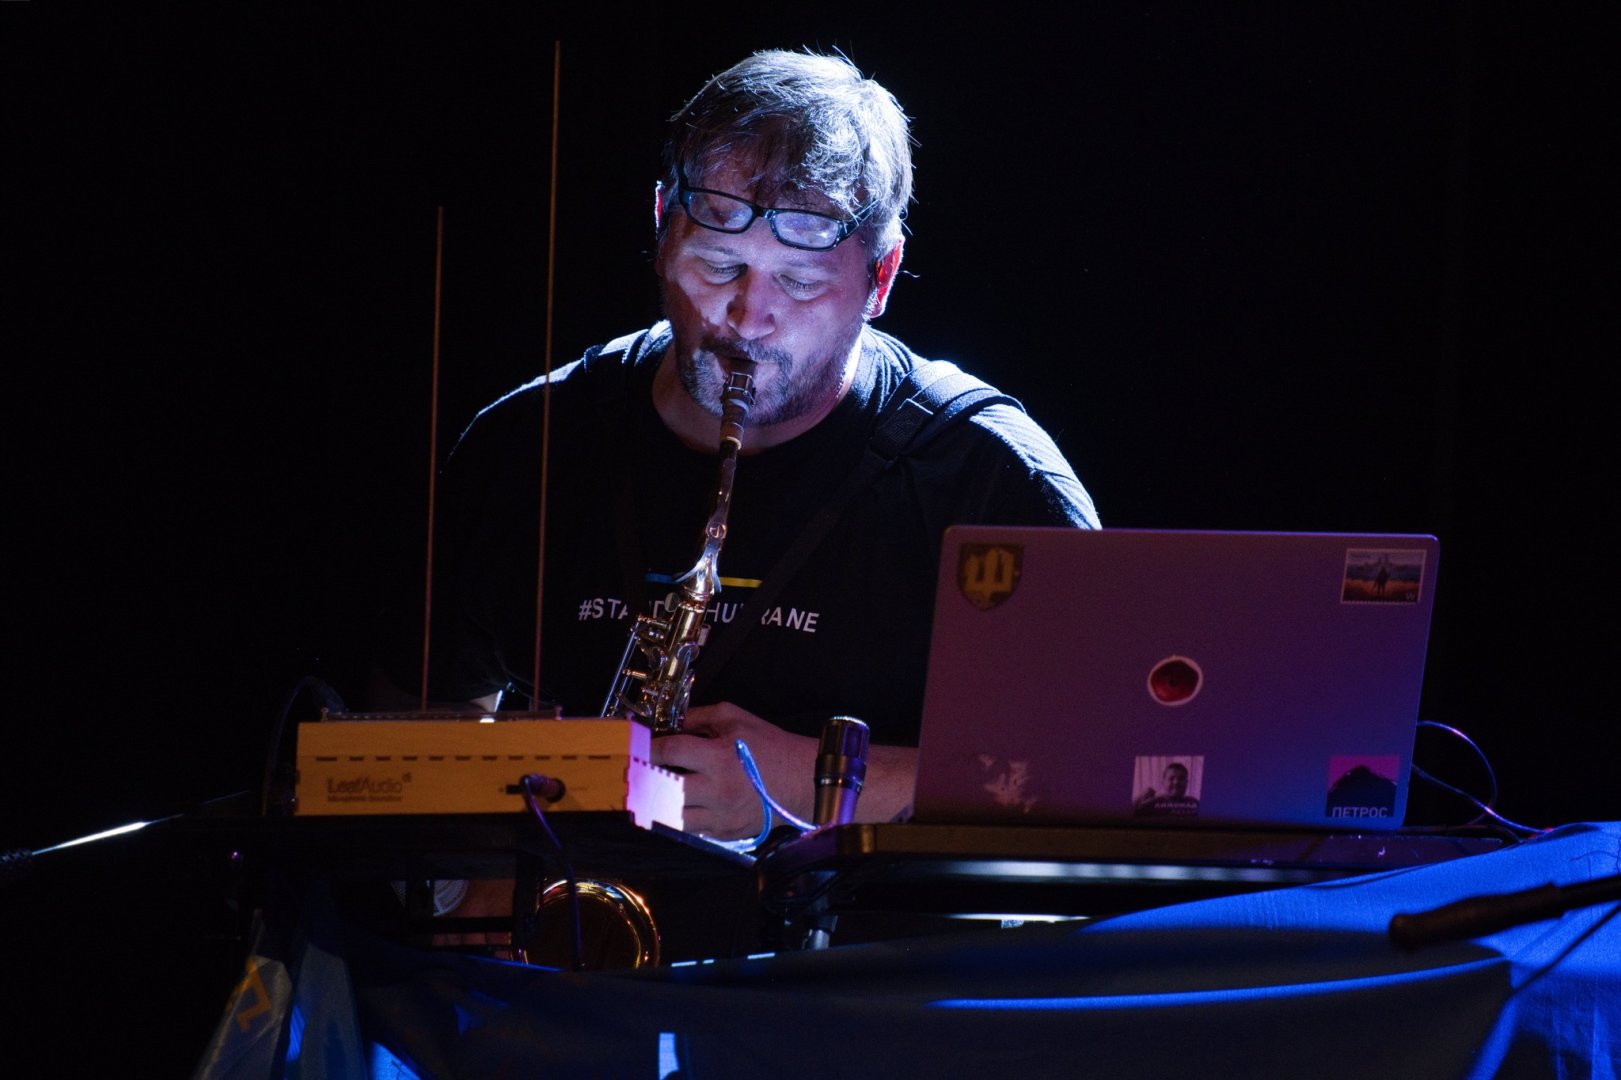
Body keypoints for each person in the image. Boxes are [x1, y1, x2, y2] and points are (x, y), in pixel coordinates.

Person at [389, 49, 1099, 848]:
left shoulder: (989, 479)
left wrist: (809, 787)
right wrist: (462, 882)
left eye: (799, 282)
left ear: (880, 278)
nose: (745, 317)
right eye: (717, 265)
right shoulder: (526, 446)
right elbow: (405, 731)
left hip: (868, 933)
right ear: (663, 226)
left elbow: (1099, 777)